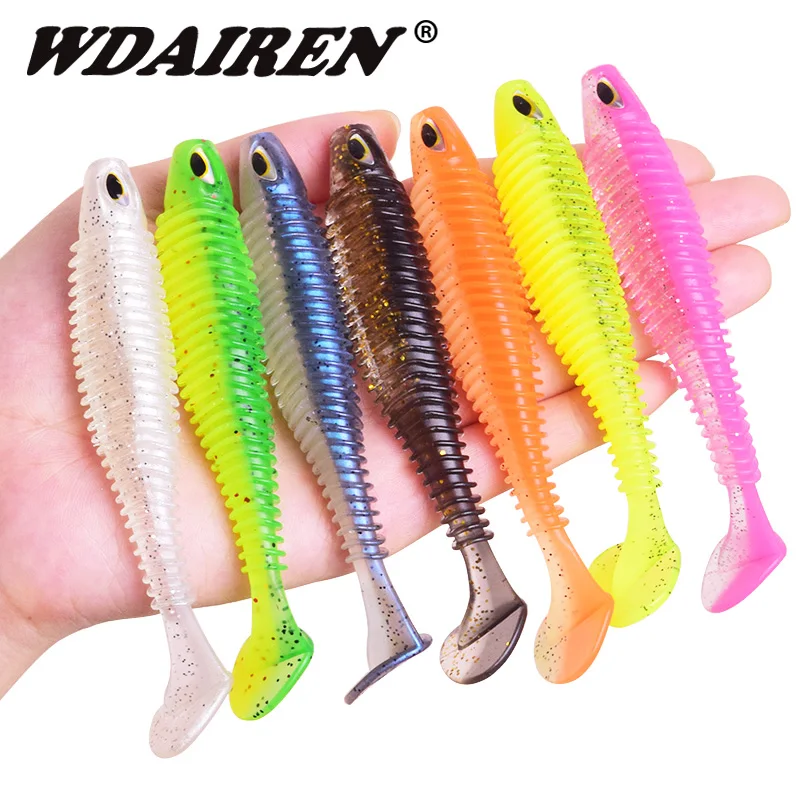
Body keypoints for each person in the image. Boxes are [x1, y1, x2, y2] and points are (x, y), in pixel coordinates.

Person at [0, 109, 789, 697]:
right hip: (313, 385)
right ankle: (604, 549)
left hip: (436, 362)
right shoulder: (211, 246)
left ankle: (602, 551)